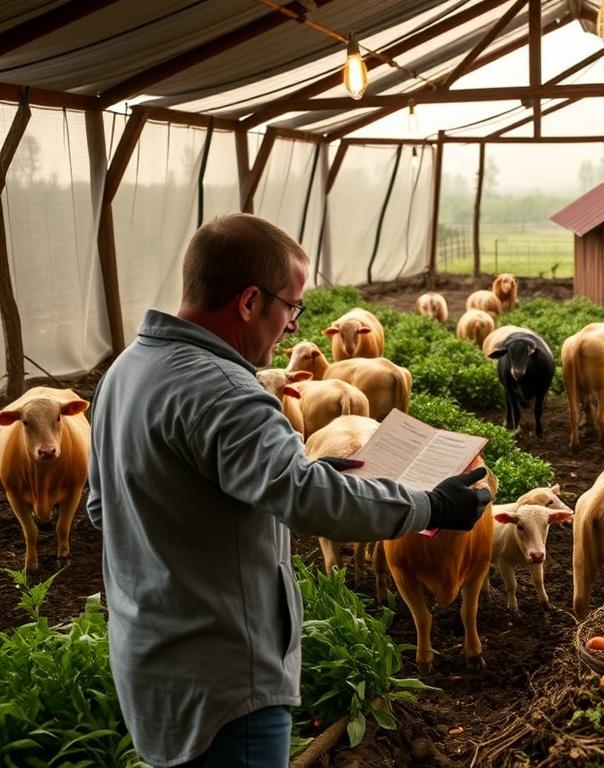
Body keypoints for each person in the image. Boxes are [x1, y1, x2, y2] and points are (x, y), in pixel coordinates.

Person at [86, 213, 491, 768]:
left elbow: (102, 507)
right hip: (228, 679)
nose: (294, 328)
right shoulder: (229, 392)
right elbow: (304, 499)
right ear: (250, 302)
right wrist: (432, 504)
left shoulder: (125, 373)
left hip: (150, 660)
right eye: (291, 307)